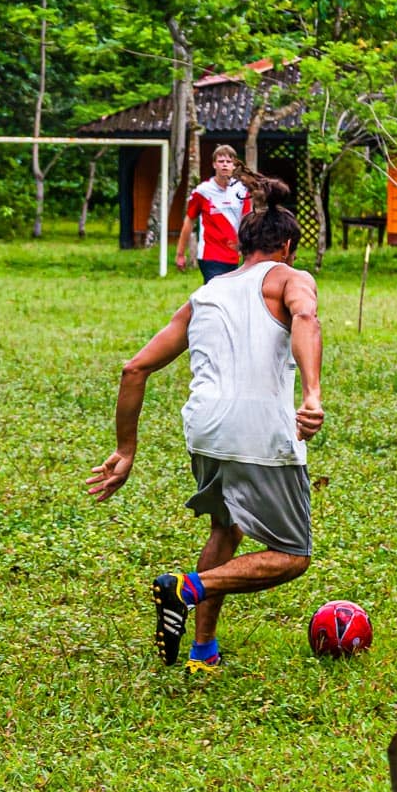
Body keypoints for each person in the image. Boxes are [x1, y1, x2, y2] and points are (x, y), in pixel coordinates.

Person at [89, 173, 323, 672]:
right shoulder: (290, 277)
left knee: (228, 527)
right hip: (259, 432)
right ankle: (186, 588)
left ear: (241, 246)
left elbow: (135, 369)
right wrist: (313, 393)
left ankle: (202, 651)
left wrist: (125, 450)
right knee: (292, 554)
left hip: (204, 430)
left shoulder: (206, 293)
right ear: (286, 246)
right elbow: (305, 318)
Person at [174, 144, 252, 282]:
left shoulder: (242, 191)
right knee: (216, 293)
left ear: (234, 165)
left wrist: (247, 248)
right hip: (210, 255)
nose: (225, 165)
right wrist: (180, 253)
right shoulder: (202, 191)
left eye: (229, 162)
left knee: (227, 296)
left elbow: (247, 221)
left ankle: (195, 304)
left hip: (233, 255)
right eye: (221, 161)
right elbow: (189, 221)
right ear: (214, 165)